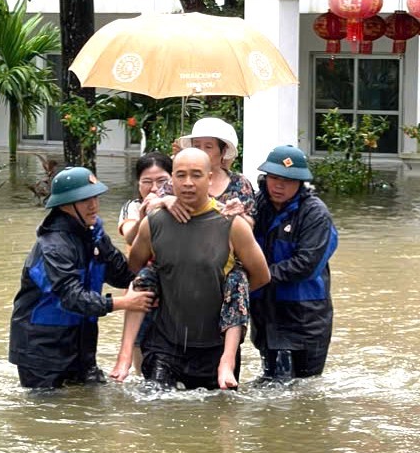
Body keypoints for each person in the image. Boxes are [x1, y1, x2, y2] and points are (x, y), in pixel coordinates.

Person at [124, 148, 270, 390]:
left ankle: (227, 360)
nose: (188, 183)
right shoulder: (155, 222)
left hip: (215, 347)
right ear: (171, 180)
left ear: (210, 178)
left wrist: (216, 292)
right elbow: (133, 268)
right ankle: (124, 358)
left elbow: (262, 276)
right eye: (180, 175)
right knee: (154, 413)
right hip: (165, 343)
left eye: (196, 175)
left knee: (215, 419)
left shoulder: (232, 223)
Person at [8, 166, 156, 389]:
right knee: (47, 414)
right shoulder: (53, 246)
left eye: (95, 197)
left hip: (80, 345)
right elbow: (71, 297)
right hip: (41, 351)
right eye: (85, 199)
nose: (94, 205)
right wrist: (122, 303)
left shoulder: (92, 233)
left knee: (91, 406)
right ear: (65, 204)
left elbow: (123, 275)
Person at [251, 145, 338, 383]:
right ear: (265, 177)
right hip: (265, 314)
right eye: (275, 178)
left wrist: (256, 277)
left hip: (304, 317)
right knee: (271, 383)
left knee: (302, 389)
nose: (279, 186)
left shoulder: (315, 214)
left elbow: (306, 265)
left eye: (288, 180)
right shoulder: (255, 207)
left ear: (300, 183)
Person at [108, 152, 172, 380]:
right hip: (140, 290)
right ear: (138, 184)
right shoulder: (132, 206)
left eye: (162, 181)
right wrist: (147, 215)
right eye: (147, 182)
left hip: (172, 288)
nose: (154, 188)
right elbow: (129, 236)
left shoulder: (177, 205)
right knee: (140, 348)